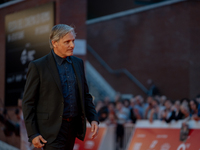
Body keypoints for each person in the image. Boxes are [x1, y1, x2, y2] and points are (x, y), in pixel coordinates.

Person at [22, 24, 99, 150]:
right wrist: (33, 133)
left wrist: (93, 118)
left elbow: (85, 95)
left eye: (73, 41)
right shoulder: (38, 66)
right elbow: (28, 102)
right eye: (67, 42)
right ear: (55, 43)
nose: (72, 45)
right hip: (50, 131)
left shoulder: (78, 63)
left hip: (72, 129)